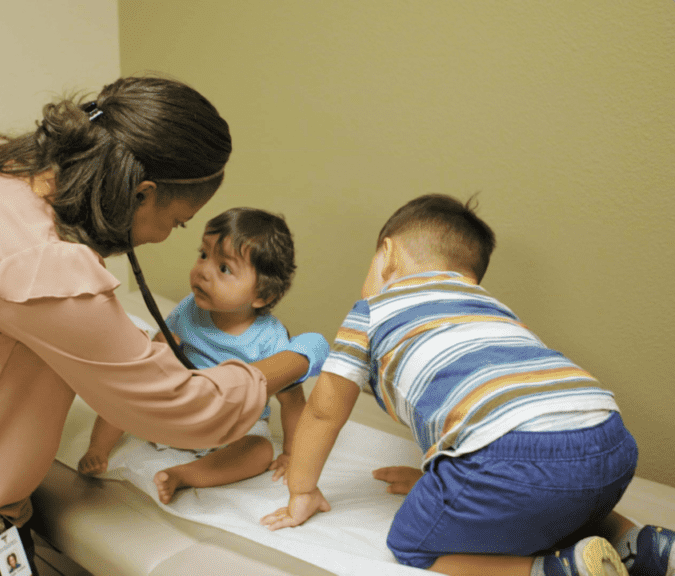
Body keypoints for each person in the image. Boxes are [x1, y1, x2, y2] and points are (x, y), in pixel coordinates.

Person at [0, 76, 330, 576]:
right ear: (142, 194)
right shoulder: (41, 266)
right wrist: (297, 358)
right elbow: (185, 409)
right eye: (177, 223)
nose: (165, 237)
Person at [262, 194, 675, 576]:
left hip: (506, 455)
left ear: (387, 255)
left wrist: (303, 489)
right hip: (611, 442)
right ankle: (641, 543)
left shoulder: (373, 311)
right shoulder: (496, 309)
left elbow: (324, 411)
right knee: (566, 495)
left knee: (411, 544)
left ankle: (553, 570)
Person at [78, 207, 309, 504]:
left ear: (262, 295)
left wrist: (291, 453)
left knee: (260, 451)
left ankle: (184, 475)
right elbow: (163, 348)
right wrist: (158, 353)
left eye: (224, 268)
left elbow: (293, 403)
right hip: (182, 408)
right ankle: (98, 449)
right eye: (203, 254)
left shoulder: (271, 338)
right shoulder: (190, 308)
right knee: (127, 389)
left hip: (234, 424)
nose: (203, 271)